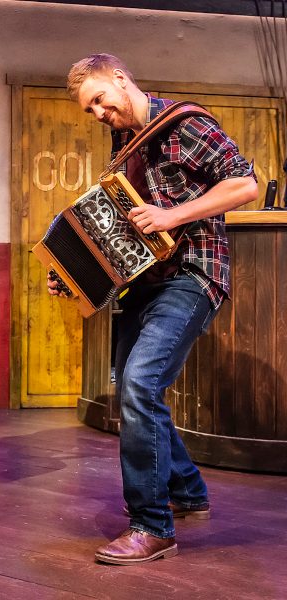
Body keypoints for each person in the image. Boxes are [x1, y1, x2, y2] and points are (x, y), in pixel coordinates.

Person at [59, 54, 257, 565]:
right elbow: (129, 232)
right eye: (90, 110)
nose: (98, 113)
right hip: (145, 285)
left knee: (141, 383)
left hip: (194, 274)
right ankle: (187, 491)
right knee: (130, 388)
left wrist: (173, 213)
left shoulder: (185, 124)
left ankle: (152, 526)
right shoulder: (123, 146)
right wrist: (79, 278)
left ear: (121, 80)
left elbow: (245, 183)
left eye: (100, 100)